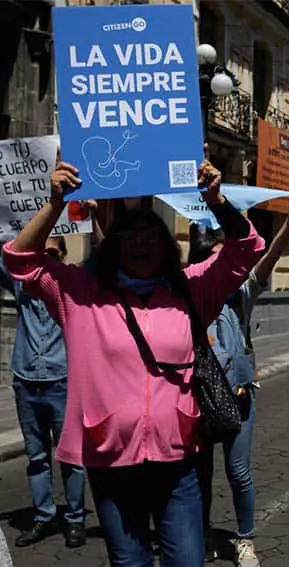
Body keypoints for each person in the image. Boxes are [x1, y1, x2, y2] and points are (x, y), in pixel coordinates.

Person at [1, 152, 264, 567]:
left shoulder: (191, 289)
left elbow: (246, 249)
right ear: (114, 244)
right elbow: (19, 260)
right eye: (129, 234)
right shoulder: (78, 293)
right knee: (130, 563)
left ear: (166, 244)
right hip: (110, 460)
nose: (140, 241)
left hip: (179, 460)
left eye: (150, 233)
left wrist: (215, 199)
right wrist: (54, 203)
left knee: (187, 562)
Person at [194, 194, 289, 567]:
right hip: (196, 398)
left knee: (238, 472)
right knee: (200, 475)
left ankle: (244, 541)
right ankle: (204, 533)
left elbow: (270, 256)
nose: (224, 266)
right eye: (217, 257)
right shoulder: (188, 292)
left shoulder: (242, 293)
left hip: (239, 396)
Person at [0, 234, 86, 549]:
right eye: (41, 252)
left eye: (52, 252)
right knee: (37, 456)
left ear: (62, 256)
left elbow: (103, 263)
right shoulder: (21, 284)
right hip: (26, 381)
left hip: (62, 382)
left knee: (71, 457)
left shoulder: (72, 285)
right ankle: (44, 514)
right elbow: (6, 255)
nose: (46, 258)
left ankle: (75, 519)